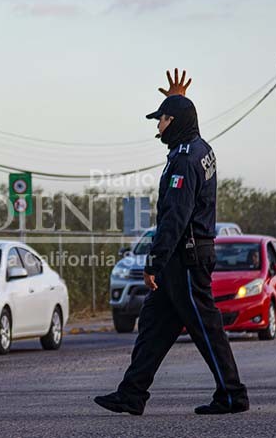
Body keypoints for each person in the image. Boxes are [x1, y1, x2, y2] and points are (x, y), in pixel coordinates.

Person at [95, 69, 249, 415]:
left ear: (175, 121)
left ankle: (232, 394)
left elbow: (175, 217)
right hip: (187, 255)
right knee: (154, 326)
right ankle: (132, 393)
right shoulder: (198, 147)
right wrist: (176, 100)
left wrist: (154, 262)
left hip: (187, 257)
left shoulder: (183, 158)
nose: (158, 126)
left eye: (162, 119)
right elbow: (186, 120)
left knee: (205, 326)